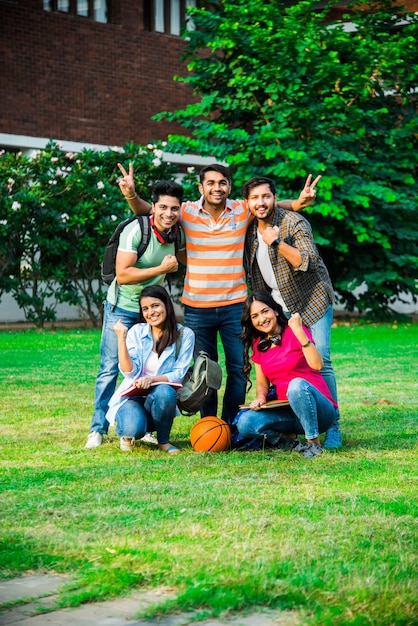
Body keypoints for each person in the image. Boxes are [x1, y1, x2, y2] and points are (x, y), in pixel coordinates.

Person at [117, 162, 319, 424]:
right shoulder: (187, 211)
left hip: (234, 306)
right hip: (197, 308)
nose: (217, 187)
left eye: (222, 182)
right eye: (210, 183)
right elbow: (150, 212)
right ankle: (209, 424)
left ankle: (232, 425)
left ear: (230, 187)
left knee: (238, 368)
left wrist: (299, 202)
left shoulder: (240, 209)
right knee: (205, 370)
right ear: (201, 187)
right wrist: (131, 194)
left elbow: (269, 204)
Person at [242, 176, 342, 449]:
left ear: (274, 197)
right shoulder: (250, 231)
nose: (261, 202)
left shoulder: (294, 222)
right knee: (282, 361)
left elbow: (307, 262)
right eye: (254, 198)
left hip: (311, 300)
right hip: (278, 306)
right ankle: (290, 424)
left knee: (321, 359)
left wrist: (276, 243)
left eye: (266, 196)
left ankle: (333, 426)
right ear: (247, 203)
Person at [85, 180, 186, 449]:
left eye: (174, 208)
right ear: (152, 207)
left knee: (155, 367)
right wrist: (161, 268)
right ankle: (98, 428)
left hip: (153, 312)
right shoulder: (136, 229)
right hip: (123, 307)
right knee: (109, 368)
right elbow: (124, 274)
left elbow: (186, 258)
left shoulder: (178, 233)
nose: (168, 213)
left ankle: (150, 427)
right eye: (162, 207)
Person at [237, 292, 339, 459]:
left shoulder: (296, 331)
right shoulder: (258, 344)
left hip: (320, 412)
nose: (261, 319)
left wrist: (299, 330)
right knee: (245, 423)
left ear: (276, 311)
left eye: (265, 311)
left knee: (296, 385)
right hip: (288, 411)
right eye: (255, 316)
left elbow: (318, 365)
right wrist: (261, 397)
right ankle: (287, 439)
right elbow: (262, 383)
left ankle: (313, 443)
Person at [105, 285, 195, 452]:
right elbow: (129, 372)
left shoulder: (185, 334)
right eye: (145, 309)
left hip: (160, 399)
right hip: (132, 398)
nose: (151, 312)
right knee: (134, 429)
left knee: (164, 391)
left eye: (155, 305)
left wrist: (152, 380)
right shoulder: (136, 332)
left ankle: (163, 441)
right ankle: (127, 430)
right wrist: (121, 339)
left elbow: (178, 373)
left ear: (166, 305)